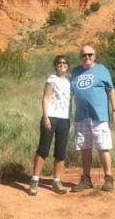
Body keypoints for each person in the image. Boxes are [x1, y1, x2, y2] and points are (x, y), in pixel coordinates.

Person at [70, 45, 115, 192]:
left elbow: (111, 90)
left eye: (90, 55)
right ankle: (86, 180)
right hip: (81, 116)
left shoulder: (102, 70)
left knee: (103, 147)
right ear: (80, 57)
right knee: (84, 149)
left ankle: (108, 179)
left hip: (99, 116)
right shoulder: (75, 72)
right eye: (84, 55)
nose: (87, 58)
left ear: (95, 56)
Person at [28, 55, 72, 196]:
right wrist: (46, 117)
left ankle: (56, 181)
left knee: (60, 151)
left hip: (64, 119)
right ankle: (34, 180)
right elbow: (46, 98)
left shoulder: (69, 82)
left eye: (64, 63)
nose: (62, 64)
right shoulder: (51, 79)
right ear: (55, 65)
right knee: (43, 149)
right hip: (51, 117)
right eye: (59, 62)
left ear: (67, 66)